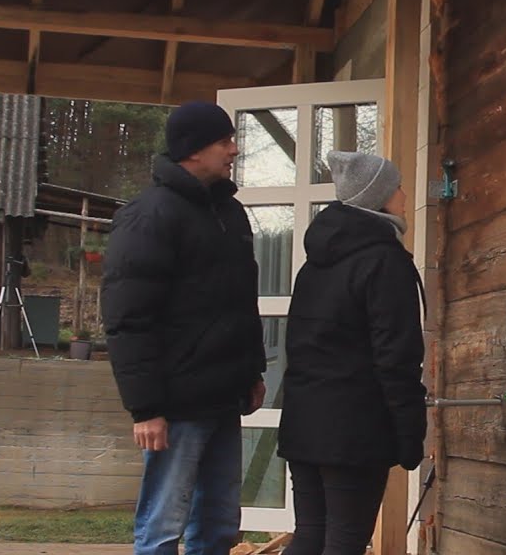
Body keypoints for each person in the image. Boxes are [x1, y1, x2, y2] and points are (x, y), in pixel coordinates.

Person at [102, 101, 267, 555]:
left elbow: (240, 303)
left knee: (217, 526)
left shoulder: (229, 214)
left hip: (223, 398)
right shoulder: (149, 216)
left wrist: (251, 372)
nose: (233, 150)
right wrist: (146, 408)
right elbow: (127, 318)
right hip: (175, 406)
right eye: (224, 141)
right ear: (193, 150)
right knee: (162, 528)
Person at [278, 151, 427, 555]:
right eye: (396, 186)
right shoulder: (385, 262)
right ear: (378, 197)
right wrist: (410, 434)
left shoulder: (315, 264)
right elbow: (397, 357)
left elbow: (300, 346)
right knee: (345, 542)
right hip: (354, 430)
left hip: (305, 422)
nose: (403, 193)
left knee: (309, 535)